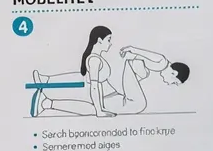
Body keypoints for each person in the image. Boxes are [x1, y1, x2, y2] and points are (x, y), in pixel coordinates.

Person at [33, 37, 189, 117]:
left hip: (122, 74)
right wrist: (131, 52)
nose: (170, 84)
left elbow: (139, 64)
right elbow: (141, 54)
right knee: (137, 102)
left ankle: (47, 87)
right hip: (122, 69)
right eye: (175, 82)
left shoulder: (155, 67)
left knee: (93, 93)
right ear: (174, 73)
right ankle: (47, 94)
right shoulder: (161, 62)